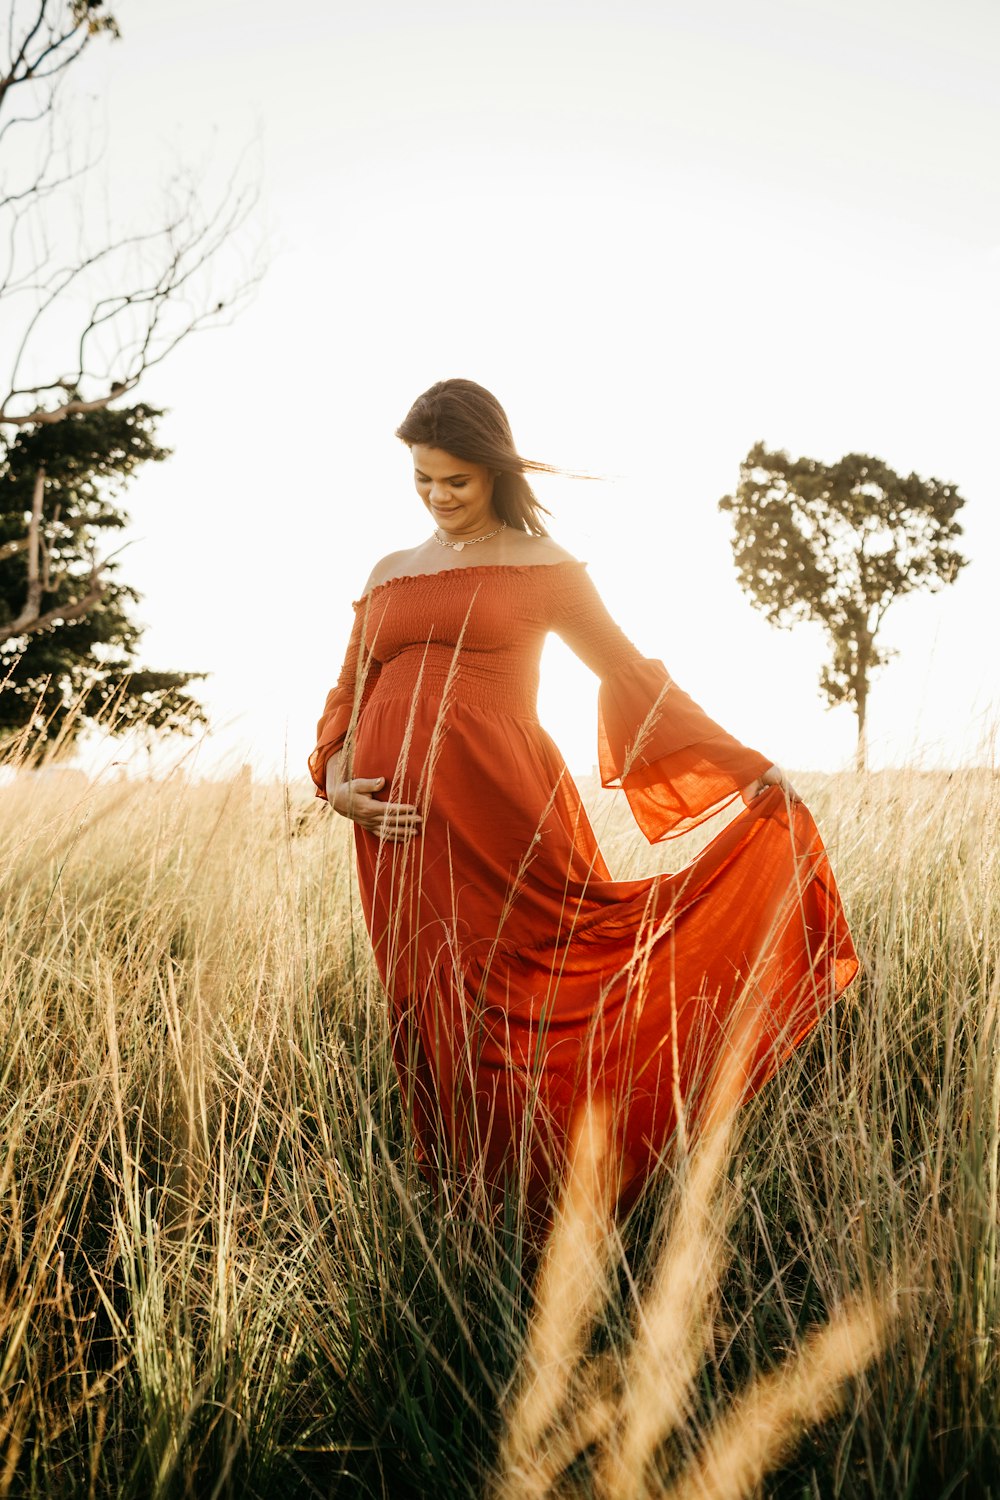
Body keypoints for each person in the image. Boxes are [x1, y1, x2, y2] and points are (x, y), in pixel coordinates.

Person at [308, 378, 857, 1223]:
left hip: (503, 814)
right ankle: (459, 1202)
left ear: (494, 469)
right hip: (397, 838)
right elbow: (349, 690)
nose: (438, 496)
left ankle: (545, 1197)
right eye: (422, 479)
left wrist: (742, 764)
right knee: (425, 1008)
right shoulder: (390, 571)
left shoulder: (546, 570)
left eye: (456, 479)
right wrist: (339, 784)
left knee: (522, 997)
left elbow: (628, 673)